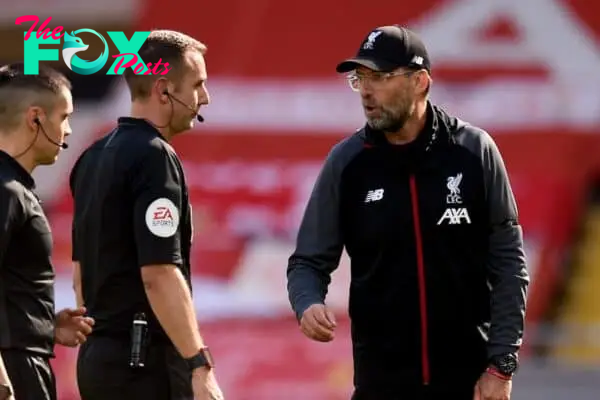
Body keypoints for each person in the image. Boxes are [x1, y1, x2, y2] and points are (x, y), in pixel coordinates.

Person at [286, 25, 529, 400]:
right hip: (380, 385)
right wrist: (308, 302)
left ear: (420, 81)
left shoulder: (473, 151)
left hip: (469, 383)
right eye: (359, 78)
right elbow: (307, 261)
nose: (366, 91)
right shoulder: (347, 163)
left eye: (379, 77)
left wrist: (502, 364)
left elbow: (509, 263)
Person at [70, 30, 223, 400]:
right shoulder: (155, 157)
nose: (205, 97)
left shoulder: (92, 157)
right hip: (143, 364)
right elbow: (159, 272)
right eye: (197, 84)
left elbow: (80, 278)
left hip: (97, 362)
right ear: (163, 90)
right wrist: (199, 365)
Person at [0, 63, 95, 400]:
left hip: (22, 360)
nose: (68, 130)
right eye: (64, 116)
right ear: (36, 117)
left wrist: (45, 326)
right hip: (13, 372)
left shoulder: (15, 189)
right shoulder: (6, 189)